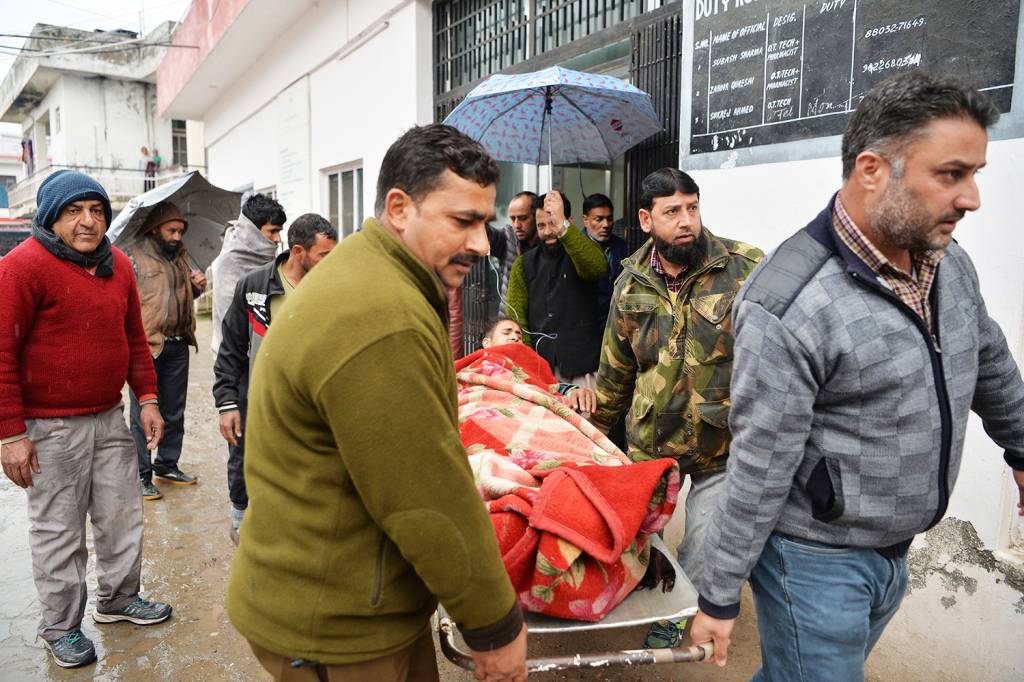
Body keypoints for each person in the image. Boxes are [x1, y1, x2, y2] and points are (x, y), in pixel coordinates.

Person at [691, 72, 1024, 678]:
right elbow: (759, 464)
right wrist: (719, 594)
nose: (972, 197)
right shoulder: (788, 305)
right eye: (951, 174)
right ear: (872, 170)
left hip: (894, 552)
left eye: (975, 173)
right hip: (814, 562)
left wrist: (1022, 448)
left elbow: (989, 361)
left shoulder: (948, 263)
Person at [226, 124, 527, 682]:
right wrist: (495, 626)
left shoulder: (379, 272)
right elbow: (425, 496)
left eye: (486, 222)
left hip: (357, 597)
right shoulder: (381, 315)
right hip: (336, 625)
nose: (483, 244)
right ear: (398, 207)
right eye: (463, 221)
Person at [0, 170, 173, 669]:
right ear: (52, 217)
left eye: (96, 210)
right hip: (49, 428)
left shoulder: (117, 264)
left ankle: (119, 599)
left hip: (108, 417)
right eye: (74, 211)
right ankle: (61, 627)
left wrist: (146, 398)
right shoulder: (21, 267)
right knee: (59, 530)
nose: (88, 221)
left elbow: (135, 341)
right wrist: (11, 433)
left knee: (123, 516)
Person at [589, 168, 763, 647]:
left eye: (692, 207)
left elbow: (777, 356)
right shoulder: (630, 285)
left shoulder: (745, 268)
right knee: (643, 541)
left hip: (719, 443)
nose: (687, 221)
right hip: (650, 441)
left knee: (706, 543)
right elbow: (615, 371)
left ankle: (678, 618)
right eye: (672, 212)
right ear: (646, 219)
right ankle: (648, 597)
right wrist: (598, 443)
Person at [213, 213, 337, 545]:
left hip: (306, 405)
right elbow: (231, 351)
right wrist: (227, 403)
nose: (331, 263)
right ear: (298, 252)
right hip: (255, 399)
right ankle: (241, 525)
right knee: (243, 462)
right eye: (324, 255)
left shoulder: (330, 289)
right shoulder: (254, 286)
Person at [124, 202, 207, 500]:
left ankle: (167, 464)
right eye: (171, 230)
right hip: (147, 346)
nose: (176, 236)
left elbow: (179, 296)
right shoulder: (133, 257)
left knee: (174, 411)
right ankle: (141, 475)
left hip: (178, 342)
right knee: (143, 413)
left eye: (180, 231)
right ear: (155, 228)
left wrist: (198, 288)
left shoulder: (181, 258)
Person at [505, 191, 607, 388]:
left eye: (553, 223)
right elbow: (516, 316)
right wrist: (528, 364)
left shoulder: (582, 252)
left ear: (568, 220)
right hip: (541, 368)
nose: (547, 231)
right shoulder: (523, 264)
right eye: (541, 225)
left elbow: (597, 268)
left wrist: (564, 229)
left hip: (583, 367)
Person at [210, 192, 285, 354]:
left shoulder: (267, 256)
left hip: (265, 351)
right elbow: (231, 321)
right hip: (234, 358)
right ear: (253, 231)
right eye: (273, 231)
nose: (278, 239)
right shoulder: (230, 262)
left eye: (279, 231)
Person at [480, 317, 597, 414]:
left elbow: (552, 387)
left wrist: (574, 392)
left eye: (520, 337)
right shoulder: (472, 367)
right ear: (487, 343)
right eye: (506, 332)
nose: (515, 337)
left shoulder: (535, 367)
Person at [580, 193, 628, 330]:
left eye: (609, 218)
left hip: (617, 323)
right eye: (599, 219)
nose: (606, 225)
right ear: (585, 220)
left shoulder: (623, 247)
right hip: (587, 325)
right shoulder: (576, 249)